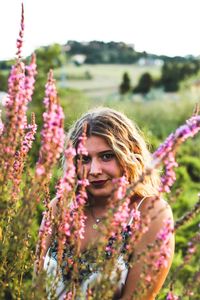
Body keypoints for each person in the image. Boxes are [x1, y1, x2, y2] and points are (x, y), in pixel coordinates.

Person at [37, 107, 174, 299]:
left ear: (130, 155)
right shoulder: (59, 207)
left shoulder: (152, 213)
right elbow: (36, 288)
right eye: (84, 159)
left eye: (106, 156)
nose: (94, 170)